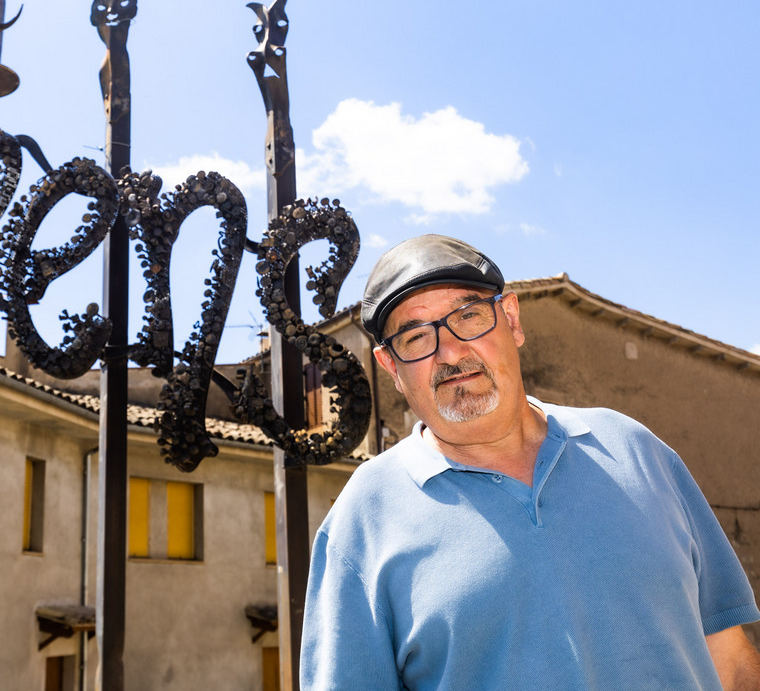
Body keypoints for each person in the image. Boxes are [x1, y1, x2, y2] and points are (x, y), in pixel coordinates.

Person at [301, 234, 760, 690]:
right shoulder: (364, 518)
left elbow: (731, 661)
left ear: (512, 320)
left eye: (469, 316)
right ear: (391, 367)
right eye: (416, 336)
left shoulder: (636, 450)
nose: (451, 352)